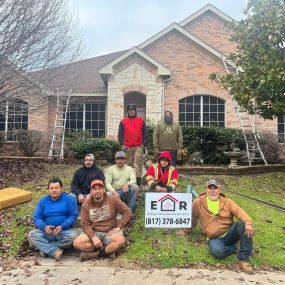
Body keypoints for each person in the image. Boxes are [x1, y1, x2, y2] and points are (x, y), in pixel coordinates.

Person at [177, 179, 255, 274]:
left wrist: (248, 223)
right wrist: (186, 231)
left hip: (230, 232)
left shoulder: (227, 201)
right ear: (206, 189)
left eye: (215, 188)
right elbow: (192, 217)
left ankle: (244, 260)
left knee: (242, 223)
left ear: (219, 190)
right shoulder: (198, 202)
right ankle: (236, 247)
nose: (213, 191)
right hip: (214, 238)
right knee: (218, 252)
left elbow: (239, 211)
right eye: (210, 188)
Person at [73, 179, 132, 261]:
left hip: (109, 232)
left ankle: (94, 254)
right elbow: (85, 224)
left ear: (104, 190)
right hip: (94, 231)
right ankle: (107, 250)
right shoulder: (86, 204)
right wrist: (93, 237)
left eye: (99, 188)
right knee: (77, 243)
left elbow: (127, 211)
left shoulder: (112, 199)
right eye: (94, 189)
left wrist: (119, 227)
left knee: (121, 241)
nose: (97, 191)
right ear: (91, 191)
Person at [28, 178, 79, 261]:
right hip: (47, 232)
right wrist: (44, 227)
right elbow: (37, 217)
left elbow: (73, 216)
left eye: (56, 188)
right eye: (51, 188)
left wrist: (62, 226)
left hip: (63, 231)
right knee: (31, 234)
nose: (54, 190)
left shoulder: (69, 200)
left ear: (61, 188)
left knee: (74, 236)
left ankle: (46, 248)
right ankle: (54, 250)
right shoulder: (43, 201)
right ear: (48, 190)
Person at [118, 103, 148, 186]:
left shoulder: (141, 120)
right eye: (130, 110)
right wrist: (122, 144)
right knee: (128, 166)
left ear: (135, 111)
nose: (131, 112)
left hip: (138, 147)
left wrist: (144, 144)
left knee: (138, 165)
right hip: (127, 147)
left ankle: (138, 184)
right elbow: (120, 134)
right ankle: (128, 183)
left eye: (133, 110)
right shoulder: (123, 121)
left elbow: (145, 133)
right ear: (127, 112)